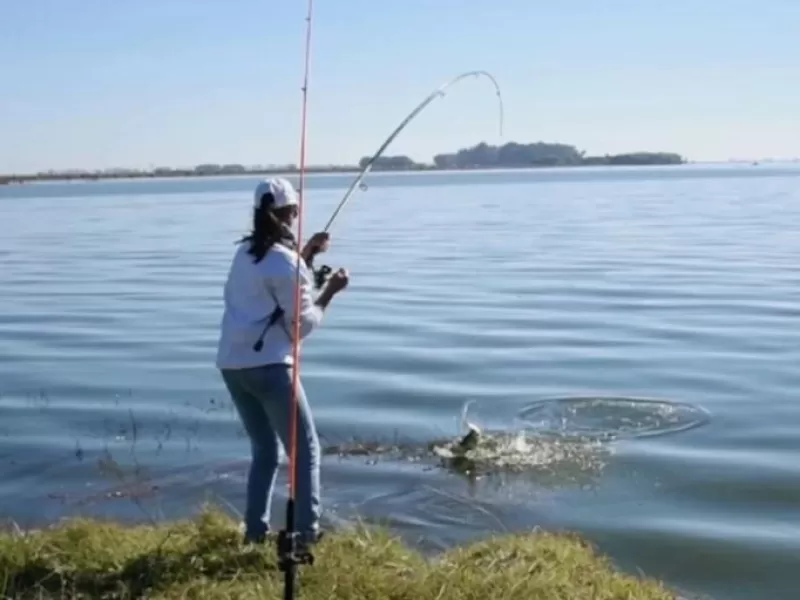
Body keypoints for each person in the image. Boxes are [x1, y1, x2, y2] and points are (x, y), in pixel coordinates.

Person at [215, 177, 349, 545]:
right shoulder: (287, 263)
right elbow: (301, 326)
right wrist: (330, 293)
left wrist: (307, 255)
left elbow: (275, 284)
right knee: (305, 453)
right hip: (271, 368)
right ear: (290, 213)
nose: (297, 214)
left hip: (232, 366)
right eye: (295, 210)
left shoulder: (244, 254)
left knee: (264, 450)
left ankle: (254, 534)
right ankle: (306, 534)